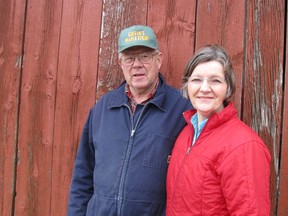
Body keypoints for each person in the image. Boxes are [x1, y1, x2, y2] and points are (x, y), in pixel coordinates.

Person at [67, 25, 192, 216]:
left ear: (158, 59)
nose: (137, 64)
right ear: (120, 63)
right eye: (129, 58)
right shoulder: (102, 109)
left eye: (144, 56)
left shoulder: (181, 110)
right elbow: (83, 174)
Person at [166, 45, 271, 215]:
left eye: (215, 80)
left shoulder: (244, 145)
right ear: (187, 85)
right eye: (197, 80)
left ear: (228, 87)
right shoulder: (186, 133)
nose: (205, 88)